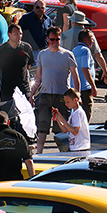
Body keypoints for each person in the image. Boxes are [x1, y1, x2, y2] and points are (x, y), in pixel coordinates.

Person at [30, 26, 80, 154]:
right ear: (47, 39)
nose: (54, 42)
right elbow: (38, 76)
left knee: (62, 128)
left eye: (57, 39)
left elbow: (75, 75)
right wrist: (32, 93)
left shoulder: (67, 54)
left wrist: (76, 95)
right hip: (45, 95)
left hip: (62, 96)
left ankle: (64, 154)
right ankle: (39, 154)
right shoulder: (42, 54)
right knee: (42, 126)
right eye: (52, 39)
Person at [0, 23, 34, 103]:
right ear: (9, 34)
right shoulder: (0, 49)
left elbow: (28, 66)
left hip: (23, 87)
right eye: (16, 34)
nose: (19, 36)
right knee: (7, 111)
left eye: (20, 34)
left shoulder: (27, 48)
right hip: (6, 87)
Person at [72, 29, 98, 122]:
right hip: (84, 88)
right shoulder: (85, 51)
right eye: (91, 39)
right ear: (85, 39)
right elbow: (85, 69)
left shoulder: (74, 50)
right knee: (86, 114)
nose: (93, 41)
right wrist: (93, 86)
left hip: (74, 87)